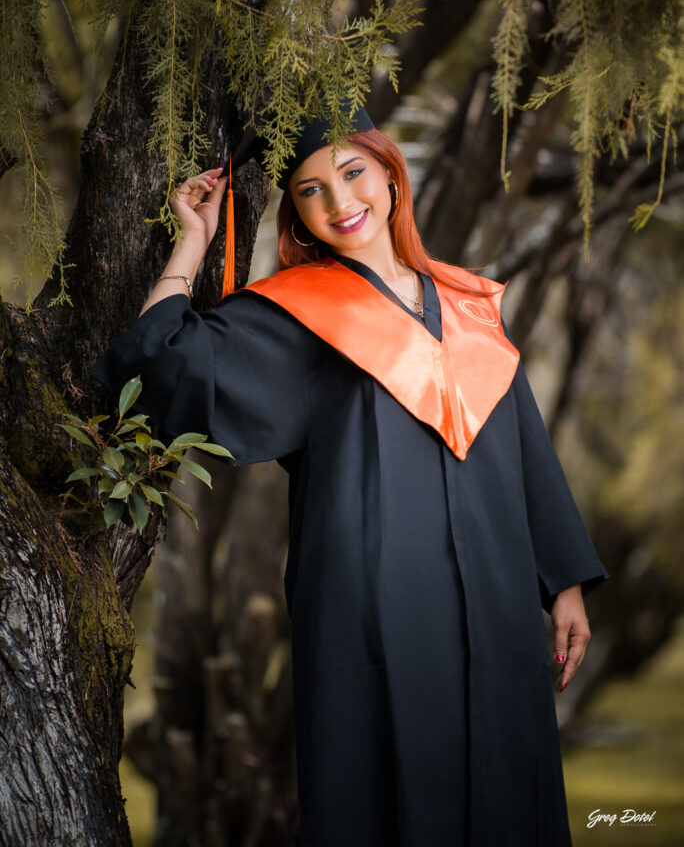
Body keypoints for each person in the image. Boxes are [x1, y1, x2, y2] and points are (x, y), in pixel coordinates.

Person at [90, 103, 610, 847]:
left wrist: (562, 581)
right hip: (375, 620)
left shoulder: (467, 304)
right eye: (311, 191)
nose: (342, 202)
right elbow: (162, 362)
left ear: (391, 174)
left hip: (496, 608)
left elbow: (522, 442)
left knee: (508, 794)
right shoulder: (297, 318)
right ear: (297, 216)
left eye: (353, 172)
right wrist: (193, 242)